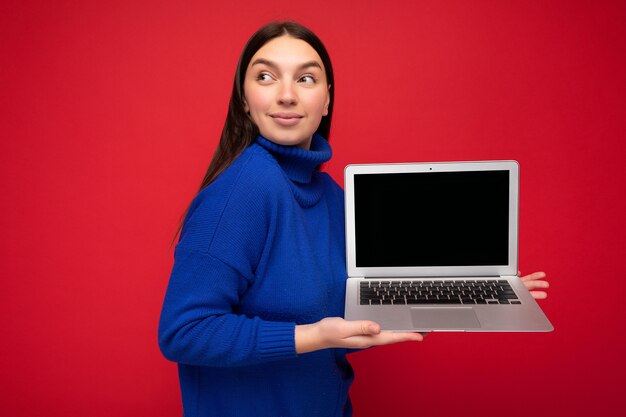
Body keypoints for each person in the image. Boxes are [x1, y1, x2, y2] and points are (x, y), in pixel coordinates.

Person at [158, 21, 550, 417]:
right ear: (244, 98)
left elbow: (346, 316)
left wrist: (443, 301)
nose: (287, 95)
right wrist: (314, 336)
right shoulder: (243, 190)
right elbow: (184, 331)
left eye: (307, 78)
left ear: (327, 99)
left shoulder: (331, 197)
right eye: (265, 76)